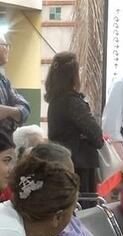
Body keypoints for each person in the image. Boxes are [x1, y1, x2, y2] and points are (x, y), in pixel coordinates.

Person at [45, 51, 104, 198]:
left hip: (63, 161)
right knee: (84, 209)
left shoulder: (55, 101)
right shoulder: (72, 102)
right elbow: (96, 135)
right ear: (73, 75)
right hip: (79, 166)